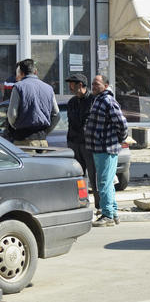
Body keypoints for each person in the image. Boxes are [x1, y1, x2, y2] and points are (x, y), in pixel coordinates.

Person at [85, 75, 129, 227]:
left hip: (106, 148)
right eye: (93, 84)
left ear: (106, 85)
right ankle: (113, 213)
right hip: (99, 148)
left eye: (97, 84)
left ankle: (107, 215)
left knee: (103, 183)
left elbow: (122, 124)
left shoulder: (107, 100)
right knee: (106, 183)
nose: (94, 86)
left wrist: (120, 138)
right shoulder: (98, 99)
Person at [5, 58, 59, 146]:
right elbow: (57, 115)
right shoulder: (48, 88)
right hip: (42, 140)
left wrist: (16, 127)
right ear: (35, 72)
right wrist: (45, 132)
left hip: (23, 140)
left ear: (21, 73)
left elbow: (12, 115)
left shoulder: (18, 87)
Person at [65, 73, 99, 210]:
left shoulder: (93, 100)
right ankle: (83, 203)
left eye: (72, 84)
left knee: (94, 177)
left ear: (80, 85)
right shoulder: (71, 102)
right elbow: (70, 123)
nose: (69, 87)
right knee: (79, 177)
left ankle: (100, 206)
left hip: (89, 145)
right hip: (75, 144)